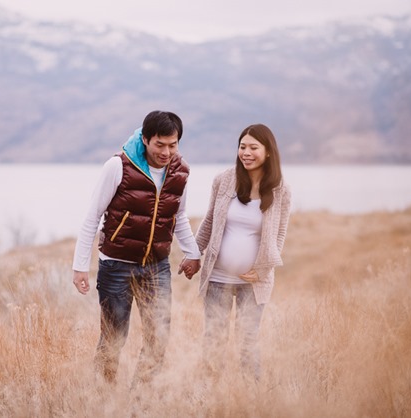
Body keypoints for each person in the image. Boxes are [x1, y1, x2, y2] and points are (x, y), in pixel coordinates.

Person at [72, 110, 201, 387]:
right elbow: (92, 216)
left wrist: (194, 253)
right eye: (160, 144)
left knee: (159, 337)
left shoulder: (181, 172)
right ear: (145, 139)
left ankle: (139, 402)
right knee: (113, 337)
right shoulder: (118, 166)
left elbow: (179, 218)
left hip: (157, 267)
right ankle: (103, 397)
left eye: (173, 144)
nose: (167, 152)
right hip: (116, 266)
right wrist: (80, 266)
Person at [185, 123, 291, 382]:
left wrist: (264, 269)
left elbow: (279, 235)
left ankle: (250, 398)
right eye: (242, 147)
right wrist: (194, 253)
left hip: (253, 283)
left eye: (253, 147)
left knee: (248, 343)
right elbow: (209, 221)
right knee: (214, 341)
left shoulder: (280, 190)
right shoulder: (224, 180)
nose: (246, 152)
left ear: (268, 152)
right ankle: (207, 396)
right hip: (217, 279)